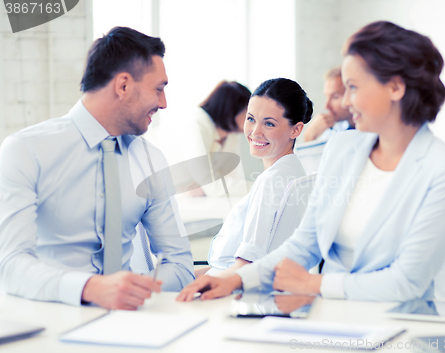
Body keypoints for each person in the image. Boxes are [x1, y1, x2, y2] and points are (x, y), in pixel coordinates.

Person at [177, 21, 445, 302]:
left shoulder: (444, 168)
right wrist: (235, 279)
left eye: (353, 88)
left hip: (397, 318)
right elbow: (305, 243)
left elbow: (407, 281)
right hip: (327, 311)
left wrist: (313, 284)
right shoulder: (342, 148)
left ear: (395, 87)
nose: (345, 103)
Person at [0, 27, 194, 310]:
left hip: (130, 323)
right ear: (123, 85)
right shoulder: (26, 150)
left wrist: (129, 291)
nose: (163, 103)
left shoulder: (152, 160)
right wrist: (91, 289)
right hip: (50, 320)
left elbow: (180, 265)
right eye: (159, 89)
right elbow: (10, 265)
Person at [195, 78, 311, 278]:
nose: (255, 132)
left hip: (231, 288)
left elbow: (245, 266)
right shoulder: (294, 172)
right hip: (227, 277)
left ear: (296, 129)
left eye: (269, 123)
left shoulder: (272, 181)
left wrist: (195, 283)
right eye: (250, 119)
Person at [188, 81, 251, 197]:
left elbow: (233, 178)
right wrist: (258, 187)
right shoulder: (196, 125)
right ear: (231, 110)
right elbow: (211, 185)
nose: (252, 121)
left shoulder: (231, 134)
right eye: (248, 114)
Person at [303, 67, 354, 142]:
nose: (326, 106)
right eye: (326, 96)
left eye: (335, 97)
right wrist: (309, 135)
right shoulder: (335, 129)